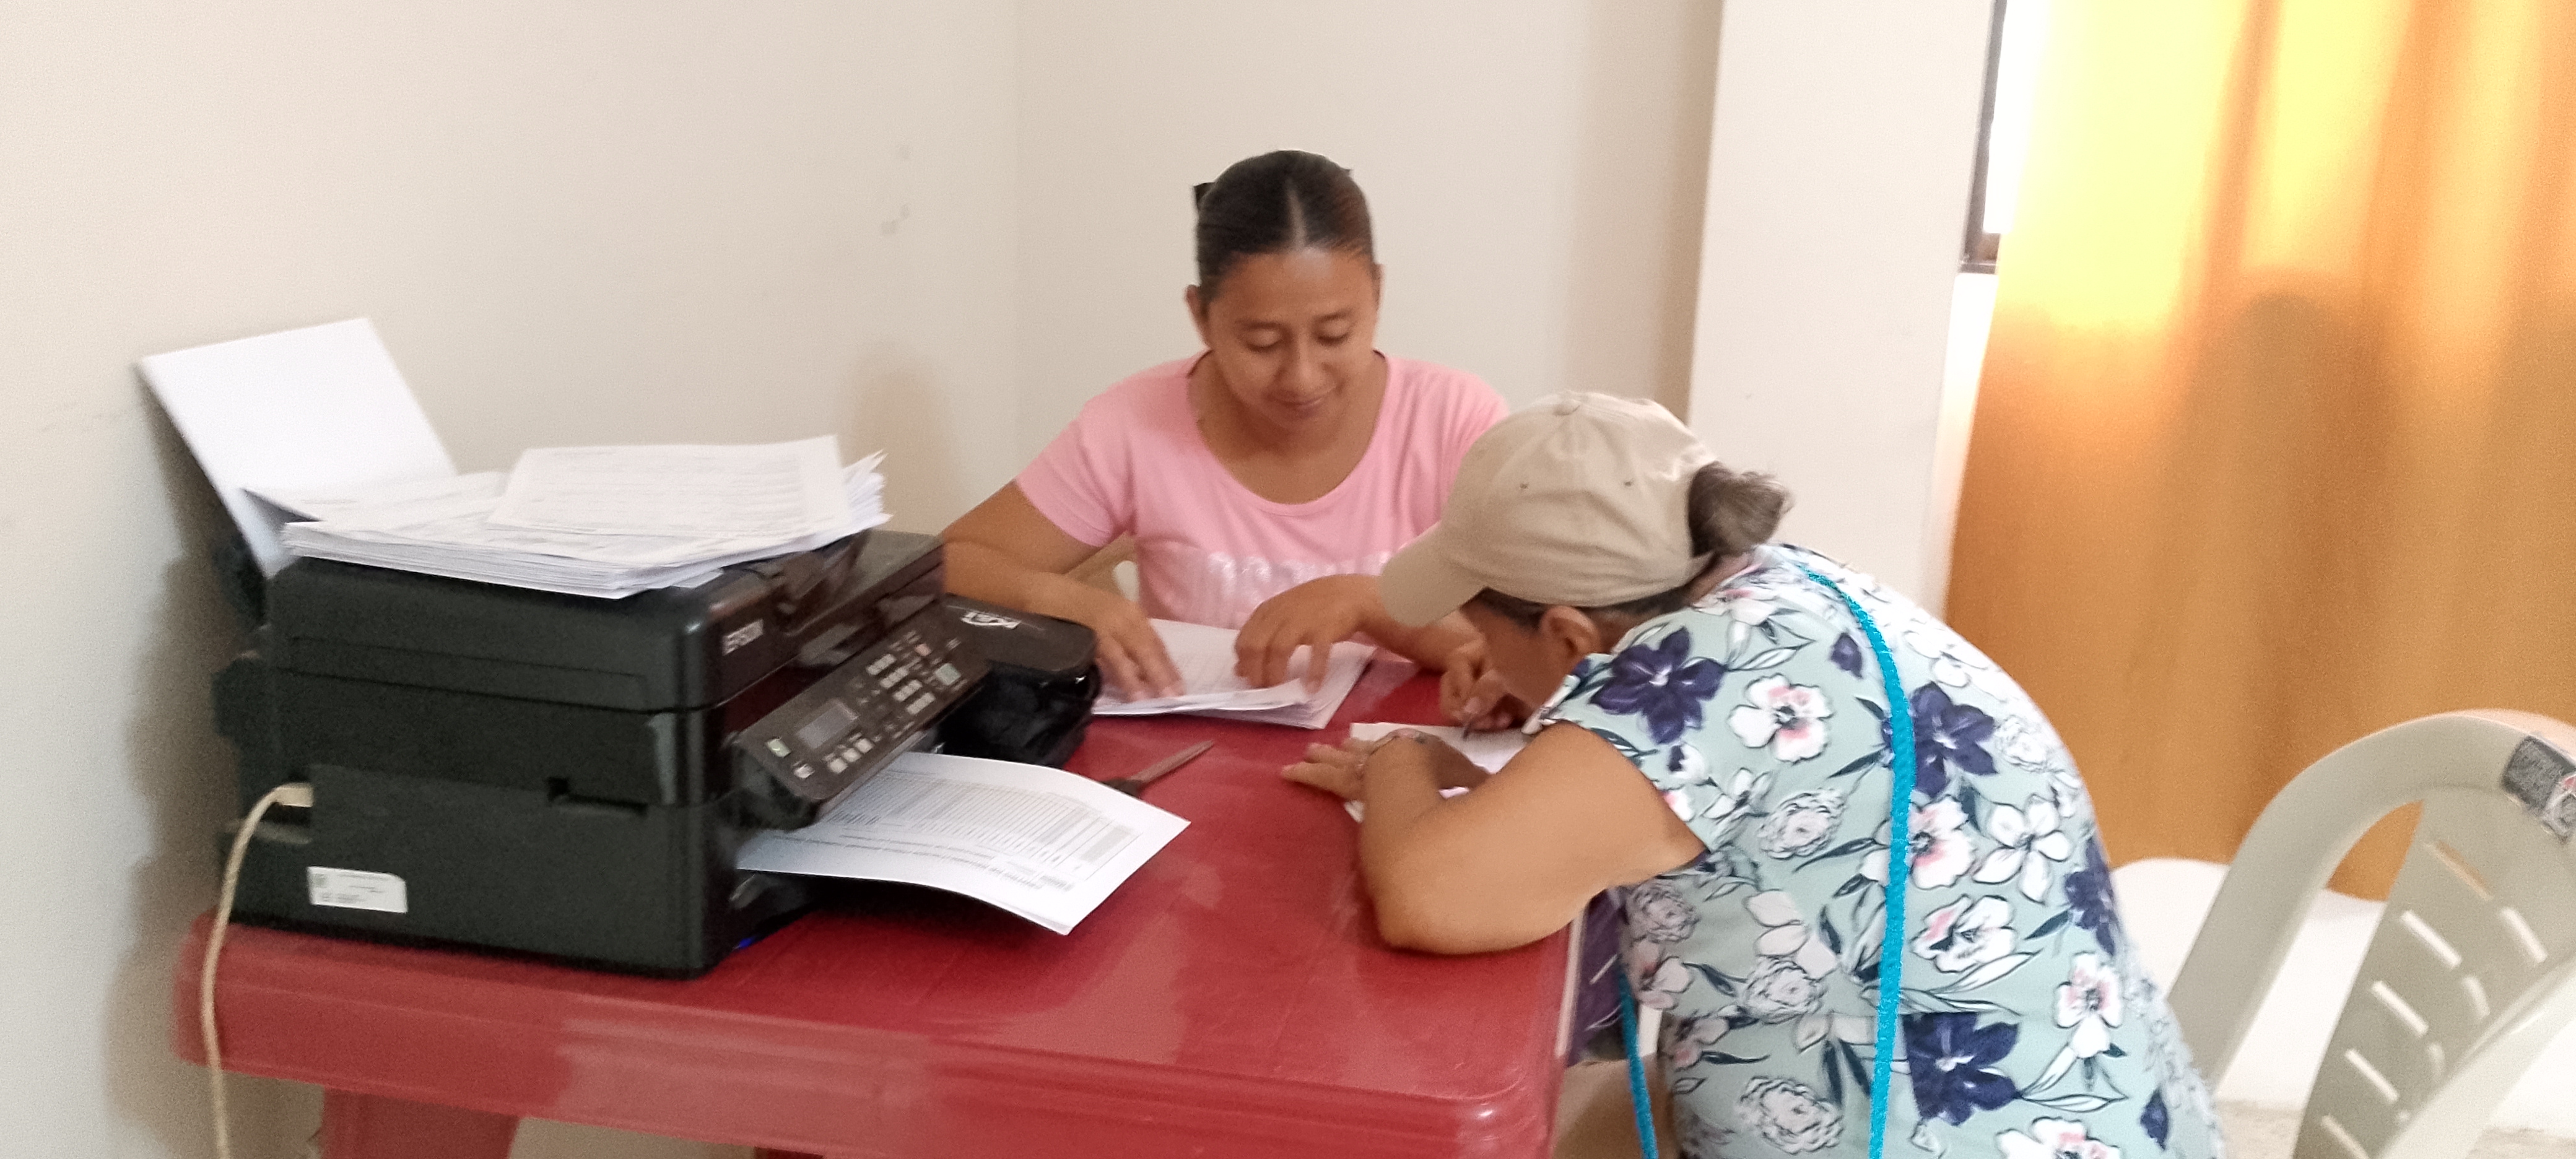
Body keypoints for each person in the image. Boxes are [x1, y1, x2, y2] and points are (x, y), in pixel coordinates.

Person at [1284, 394, 2223, 1159]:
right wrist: (1552, 712)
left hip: (1938, 1130)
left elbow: (1430, 895)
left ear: (1570, 635)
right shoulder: (1775, 593)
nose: (1479, 656)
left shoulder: (1692, 688)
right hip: (2089, 1104)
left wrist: (1399, 759)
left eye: (1486, 635)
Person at [941, 150, 1507, 697]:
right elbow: (945, 565)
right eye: (1262, 342)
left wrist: (1372, 604)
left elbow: (1537, 643)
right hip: (1191, 754)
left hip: (1404, 754)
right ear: (1201, 317)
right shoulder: (1132, 425)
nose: (1302, 377)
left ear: (1378, 295)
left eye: (1334, 335)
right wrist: (1051, 598)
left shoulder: (1455, 421)